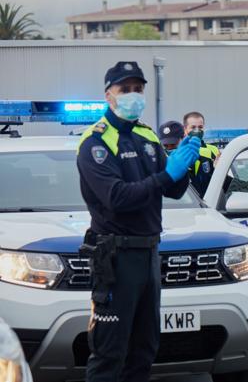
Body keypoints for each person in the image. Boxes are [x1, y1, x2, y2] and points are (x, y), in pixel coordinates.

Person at [76, 61, 200, 382]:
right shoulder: (96, 142)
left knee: (145, 349)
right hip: (117, 258)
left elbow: (172, 189)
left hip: (148, 254)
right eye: (125, 89)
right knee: (109, 352)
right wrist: (165, 174)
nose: (133, 95)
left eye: (138, 89)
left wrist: (183, 163)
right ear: (109, 96)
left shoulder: (146, 136)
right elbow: (117, 197)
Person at [182, 111, 220, 198]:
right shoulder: (179, 151)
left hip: (210, 203)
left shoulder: (213, 151)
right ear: (185, 129)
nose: (197, 130)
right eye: (193, 127)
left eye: (200, 127)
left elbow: (222, 180)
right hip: (187, 205)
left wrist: (217, 169)